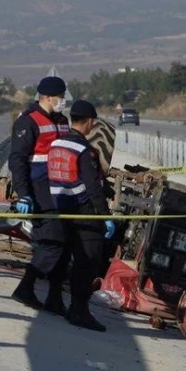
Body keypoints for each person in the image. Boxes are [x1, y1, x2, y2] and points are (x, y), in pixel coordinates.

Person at [47, 100, 116, 332]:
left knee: (63, 256)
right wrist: (105, 216)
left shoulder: (57, 143)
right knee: (88, 261)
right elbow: (93, 187)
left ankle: (54, 299)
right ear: (88, 122)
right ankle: (79, 311)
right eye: (92, 123)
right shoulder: (84, 150)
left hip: (59, 207)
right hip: (82, 211)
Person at [8, 75, 71, 314]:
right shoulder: (28, 122)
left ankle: (55, 297)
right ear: (46, 97)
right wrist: (24, 194)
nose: (63, 101)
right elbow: (18, 160)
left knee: (65, 245)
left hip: (63, 191)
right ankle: (26, 287)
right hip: (40, 189)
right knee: (52, 241)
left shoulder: (62, 121)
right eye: (60, 97)